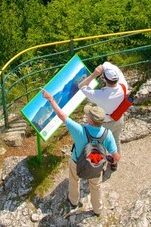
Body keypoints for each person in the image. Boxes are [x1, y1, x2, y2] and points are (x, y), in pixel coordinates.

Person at [41, 88, 120, 216]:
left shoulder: (79, 130)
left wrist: (51, 99)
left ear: (90, 120)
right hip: (96, 165)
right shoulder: (107, 134)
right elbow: (116, 156)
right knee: (96, 187)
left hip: (77, 161)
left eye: (88, 115)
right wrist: (110, 160)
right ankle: (97, 209)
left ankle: (73, 201)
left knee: (74, 181)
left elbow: (62, 115)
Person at [79, 61, 129, 147]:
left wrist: (94, 74)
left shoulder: (99, 95)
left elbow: (81, 86)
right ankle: (116, 159)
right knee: (116, 140)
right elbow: (112, 67)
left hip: (106, 124)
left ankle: (103, 160)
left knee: (101, 146)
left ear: (105, 79)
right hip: (118, 118)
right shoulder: (123, 86)